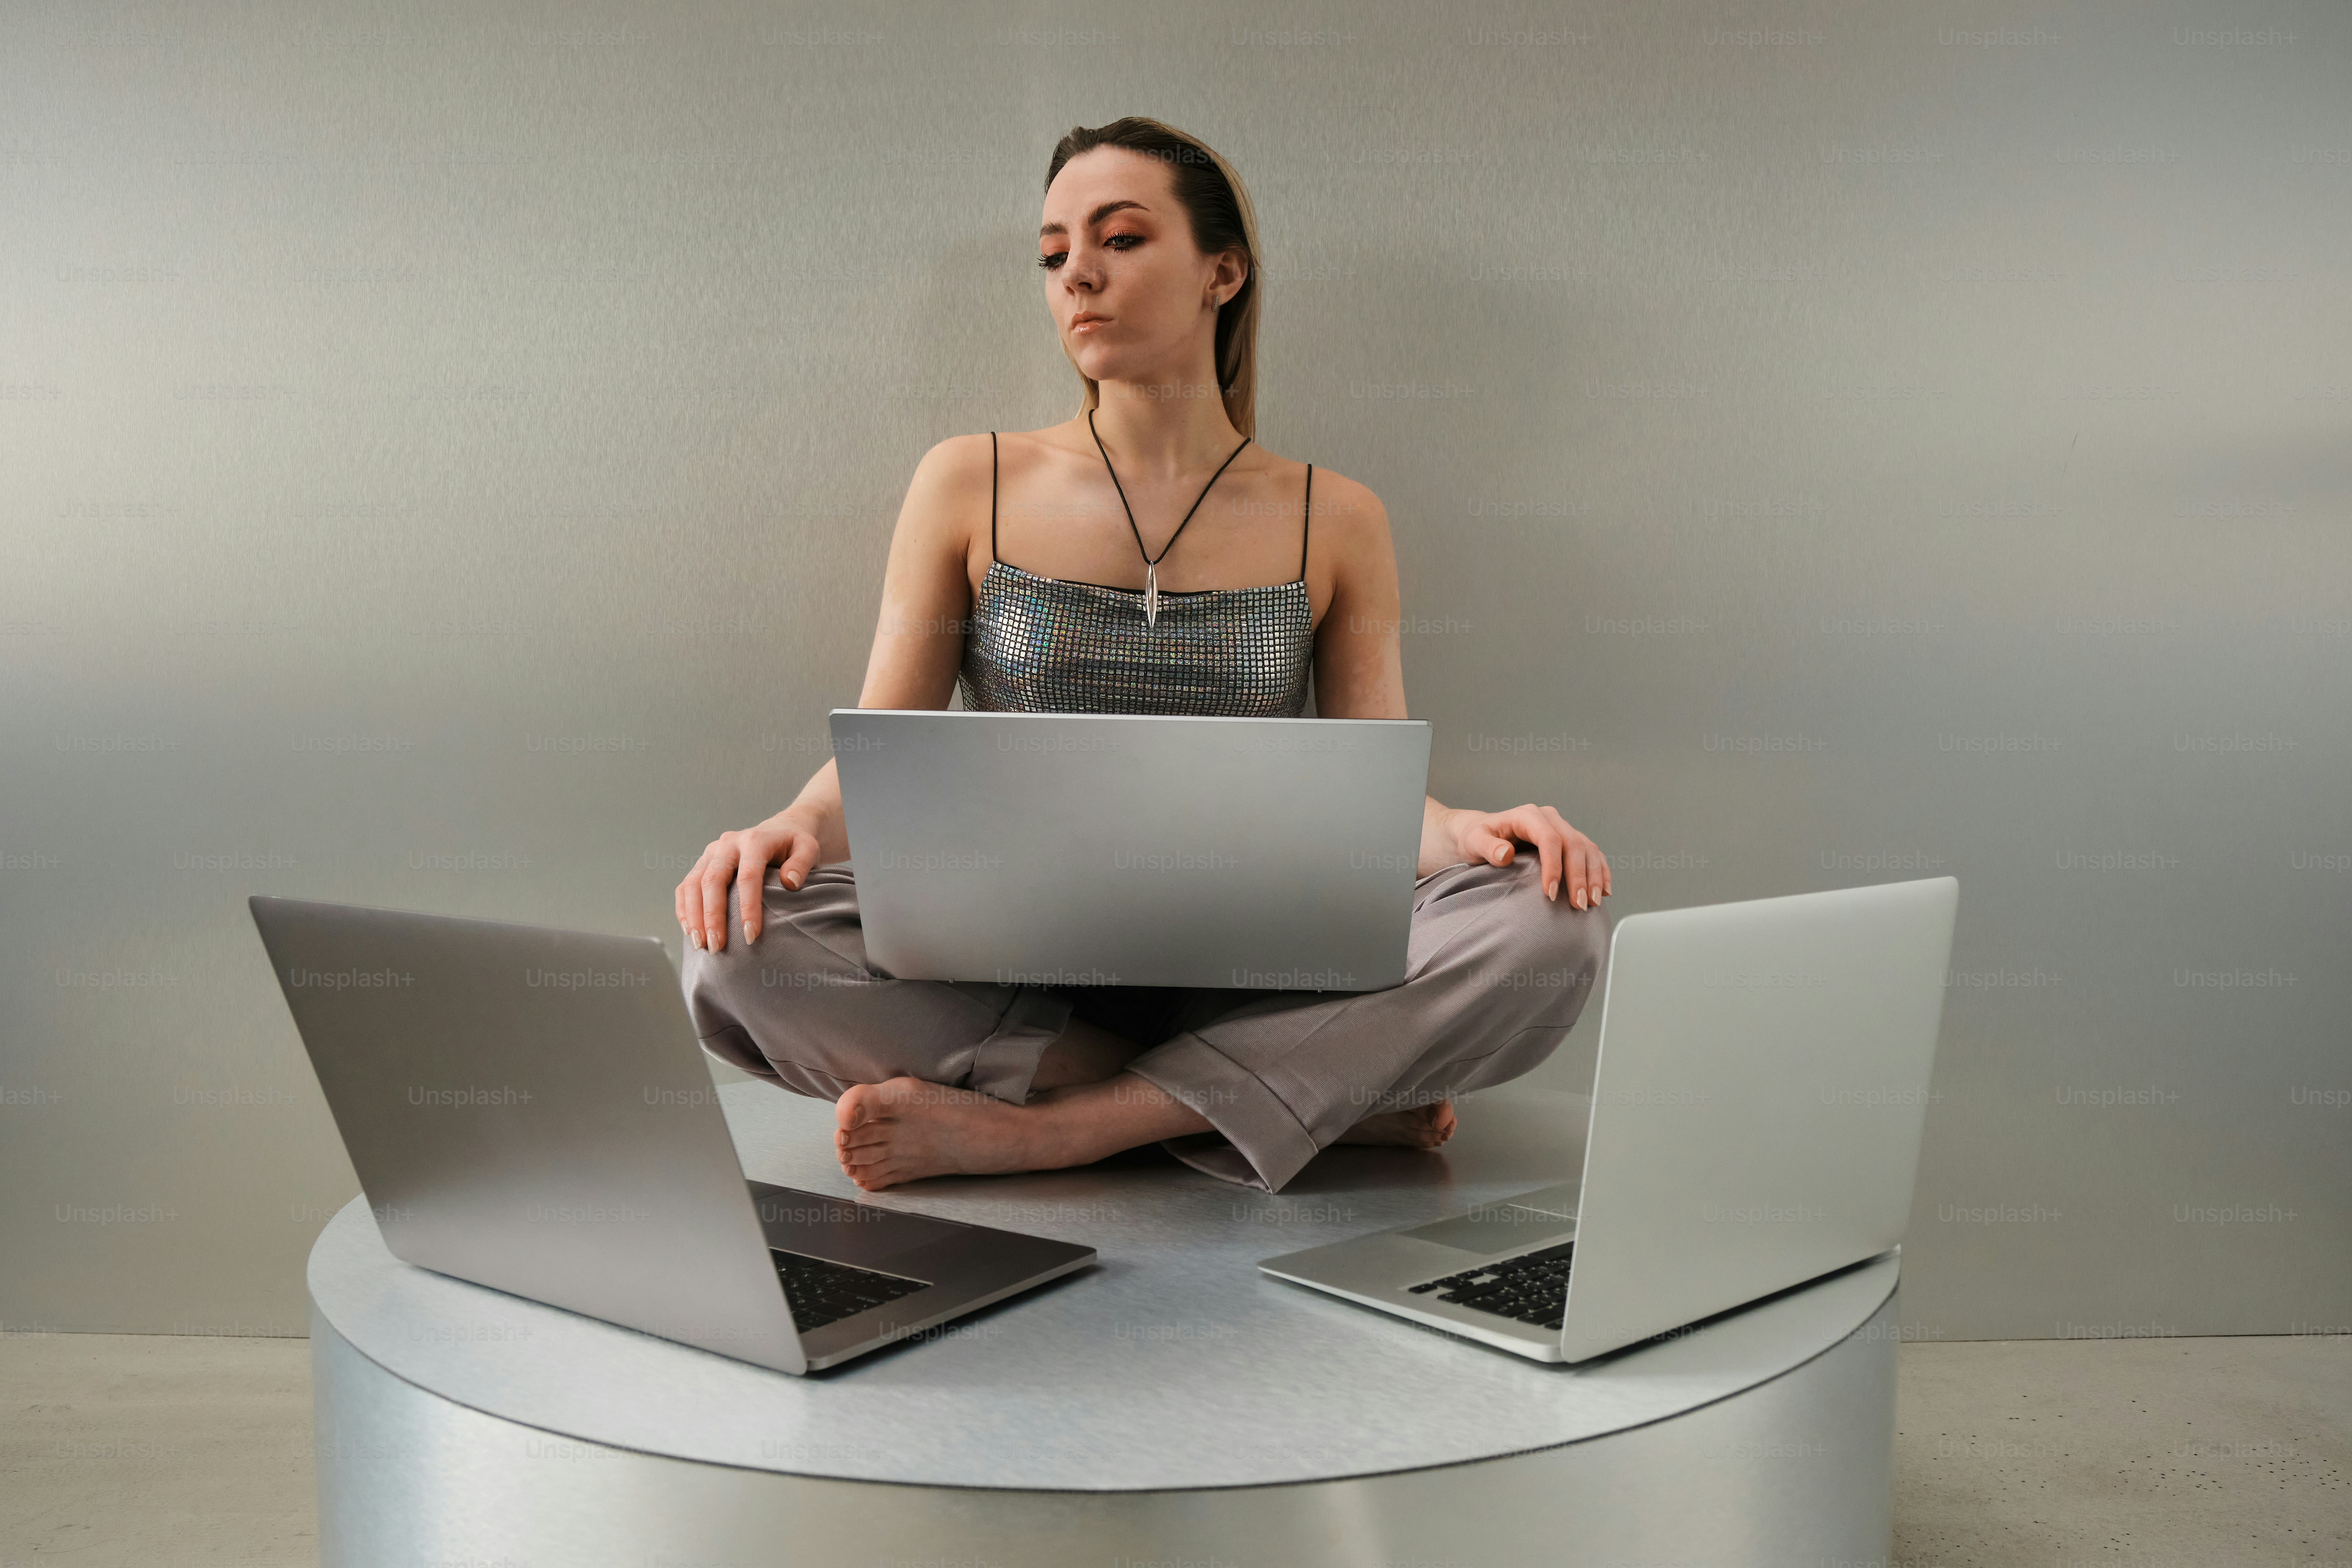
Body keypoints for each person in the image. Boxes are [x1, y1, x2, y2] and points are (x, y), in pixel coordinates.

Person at [675, 117, 1610, 1195]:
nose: (1078, 273)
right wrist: (788, 824)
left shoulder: (1337, 516)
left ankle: (1061, 1129)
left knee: (1553, 927)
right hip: (1011, 977)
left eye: (1120, 239)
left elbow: (1378, 793)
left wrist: (1478, 835)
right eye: (1054, 253)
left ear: (1223, 272)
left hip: (1258, 974)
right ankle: (1296, 1099)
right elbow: (883, 750)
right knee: (734, 950)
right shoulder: (967, 478)